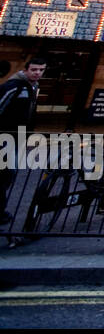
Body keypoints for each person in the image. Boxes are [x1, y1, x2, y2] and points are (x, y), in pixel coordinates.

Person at [0, 57, 46, 224]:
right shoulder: (14, 86)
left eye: (41, 70)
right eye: (34, 69)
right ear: (26, 69)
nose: (37, 73)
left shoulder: (33, 87)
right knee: (4, 174)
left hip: (17, 137)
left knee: (7, 175)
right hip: (5, 137)